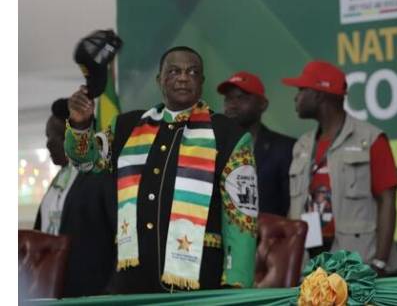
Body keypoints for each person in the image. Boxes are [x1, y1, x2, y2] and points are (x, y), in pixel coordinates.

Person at [64, 46, 258, 293]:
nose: (183, 78)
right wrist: (80, 124)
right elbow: (86, 161)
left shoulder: (229, 135)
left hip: (199, 284)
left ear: (202, 81)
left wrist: (236, 285)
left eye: (192, 72)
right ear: (159, 80)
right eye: (174, 71)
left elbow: (241, 219)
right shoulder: (126, 127)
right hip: (133, 281)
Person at [283, 60, 397, 274]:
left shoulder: (370, 139)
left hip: (356, 264)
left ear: (319, 95)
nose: (296, 97)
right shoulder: (302, 145)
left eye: (301, 90)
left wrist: (380, 262)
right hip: (309, 266)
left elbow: (388, 200)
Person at [35, 98, 116, 297]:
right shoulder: (58, 180)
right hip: (50, 289)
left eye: (56, 135)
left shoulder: (100, 175)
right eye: (47, 136)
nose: (49, 144)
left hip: (89, 292)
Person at [218, 71, 295, 216]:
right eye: (228, 99)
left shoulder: (284, 148)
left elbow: (292, 206)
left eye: (241, 98)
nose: (232, 105)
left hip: (267, 229)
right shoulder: (214, 148)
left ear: (263, 104)